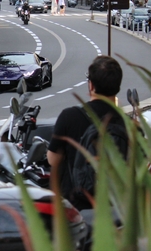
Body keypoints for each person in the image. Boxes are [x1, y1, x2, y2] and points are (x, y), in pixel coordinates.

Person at [47, 55, 124, 210]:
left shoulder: (69, 116)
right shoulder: (126, 124)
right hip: (116, 209)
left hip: (76, 207)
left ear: (91, 86)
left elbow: (52, 160)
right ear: (118, 86)